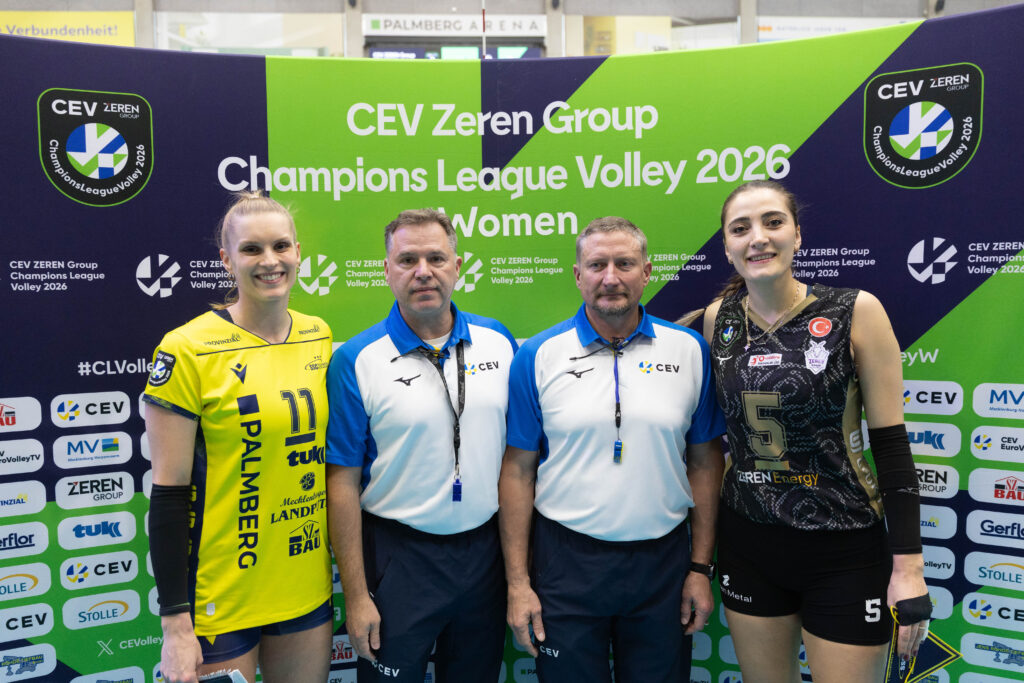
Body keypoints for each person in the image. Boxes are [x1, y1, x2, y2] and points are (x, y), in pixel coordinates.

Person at [699, 180, 929, 683]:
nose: (758, 237)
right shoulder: (719, 320)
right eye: (741, 229)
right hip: (749, 543)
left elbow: (891, 446)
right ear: (727, 247)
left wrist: (909, 568)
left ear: (797, 235)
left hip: (843, 545)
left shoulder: (855, 310)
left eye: (773, 222)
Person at [499, 216, 726, 682]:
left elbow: (706, 462)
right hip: (565, 563)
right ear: (577, 275)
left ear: (646, 272)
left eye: (624, 263)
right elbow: (518, 472)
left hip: (662, 565)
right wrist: (518, 583)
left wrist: (700, 568)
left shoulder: (689, 350)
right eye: (597, 265)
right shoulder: (538, 355)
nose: (610, 277)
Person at [143, 191, 333, 683]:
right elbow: (168, 495)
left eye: (281, 246)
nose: (270, 261)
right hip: (219, 598)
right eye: (251, 249)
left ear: (297, 253)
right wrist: (175, 625)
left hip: (303, 587)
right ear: (226, 260)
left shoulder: (319, 335)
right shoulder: (187, 348)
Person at [325, 208, 517, 682]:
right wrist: (356, 595)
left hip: (485, 554)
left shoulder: (499, 341)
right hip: (398, 558)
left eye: (436, 258)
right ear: (387, 270)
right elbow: (341, 482)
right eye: (408, 260)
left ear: (458, 266)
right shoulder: (356, 359)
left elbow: (519, 459)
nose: (423, 271)